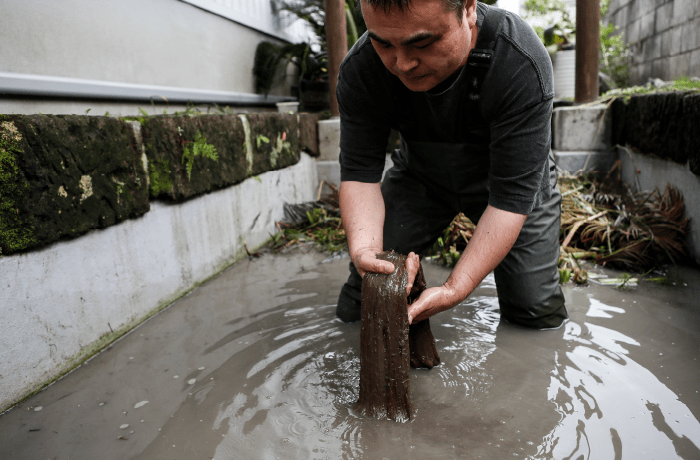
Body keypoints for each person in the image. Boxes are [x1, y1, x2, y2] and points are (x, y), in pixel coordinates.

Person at [336, 0, 568, 329]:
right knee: (366, 291)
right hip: (419, 180)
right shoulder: (361, 68)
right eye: (384, 43)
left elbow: (511, 200)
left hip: (513, 190)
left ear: (469, 8)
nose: (402, 64)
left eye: (422, 42)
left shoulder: (518, 59)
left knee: (534, 312)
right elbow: (360, 176)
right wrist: (365, 249)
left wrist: (453, 289)